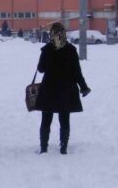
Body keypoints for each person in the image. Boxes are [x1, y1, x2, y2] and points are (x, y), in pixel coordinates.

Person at [35, 22, 91, 154]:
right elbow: (77, 72)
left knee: (46, 119)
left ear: (51, 34)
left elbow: (41, 69)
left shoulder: (47, 49)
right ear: (63, 33)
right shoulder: (71, 50)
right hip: (67, 89)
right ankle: (63, 148)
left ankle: (44, 148)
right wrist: (83, 87)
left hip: (49, 89)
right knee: (64, 119)